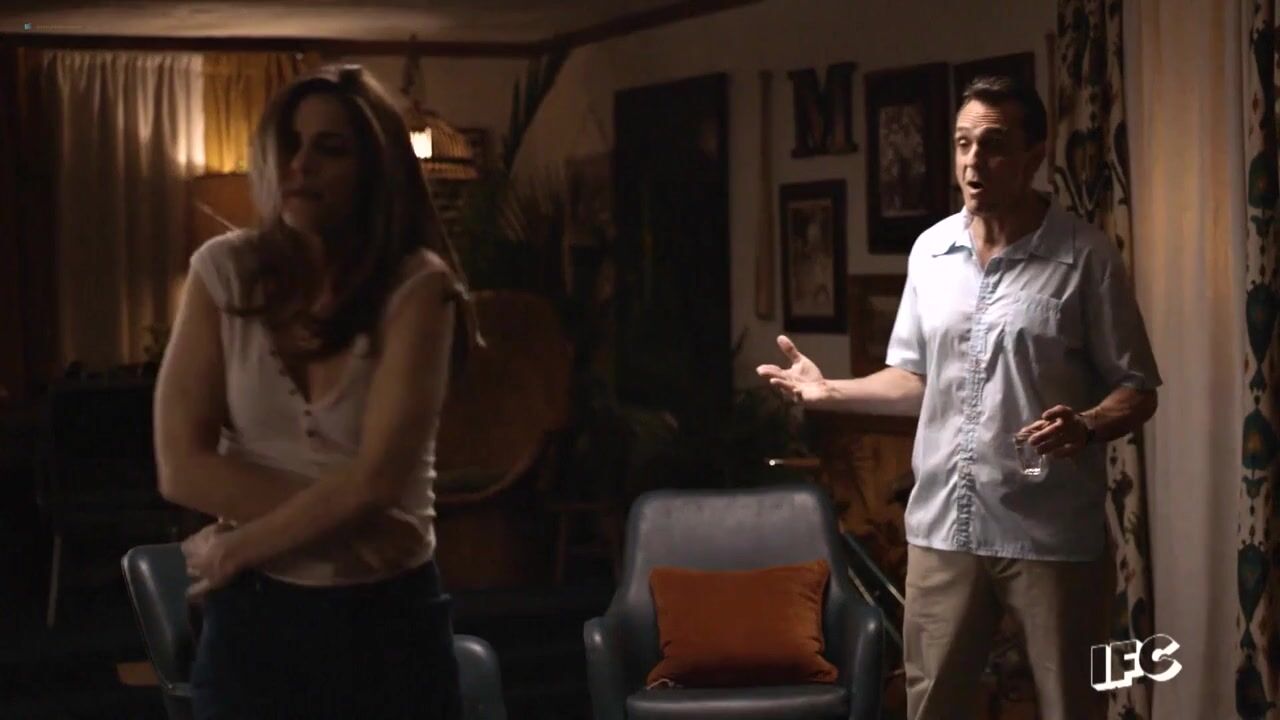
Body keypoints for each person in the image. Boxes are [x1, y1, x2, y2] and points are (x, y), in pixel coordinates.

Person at [758, 74, 1161, 720]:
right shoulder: (931, 252)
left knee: (1072, 708)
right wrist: (828, 389)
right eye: (962, 143)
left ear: (1033, 155)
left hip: (1050, 536)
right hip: (944, 530)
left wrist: (1086, 425)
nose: (973, 162)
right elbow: (916, 379)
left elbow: (1138, 389)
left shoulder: (1085, 257)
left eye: (993, 145)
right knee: (932, 708)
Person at [154, 63, 478, 719]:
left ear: (375, 170)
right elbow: (182, 467)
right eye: (291, 145)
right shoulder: (222, 271)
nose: (301, 164)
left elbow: (377, 480)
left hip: (387, 616)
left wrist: (239, 545)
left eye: (330, 149)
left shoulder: (418, 286)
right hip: (255, 619)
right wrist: (359, 523)